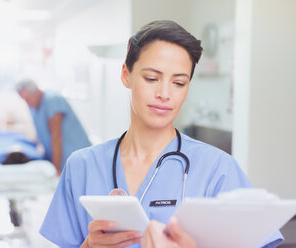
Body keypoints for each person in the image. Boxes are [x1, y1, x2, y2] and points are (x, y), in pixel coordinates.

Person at [38, 20, 283, 248]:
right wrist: (88, 246)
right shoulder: (82, 167)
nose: (164, 94)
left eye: (179, 83)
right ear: (126, 75)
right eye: (152, 78)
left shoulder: (217, 169)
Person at [16, 79, 91, 176]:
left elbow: (56, 136)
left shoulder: (52, 100)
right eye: (24, 100)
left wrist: (56, 169)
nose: (27, 103)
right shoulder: (33, 107)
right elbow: (41, 134)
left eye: (28, 99)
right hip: (61, 161)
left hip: (78, 159)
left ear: (36, 91)